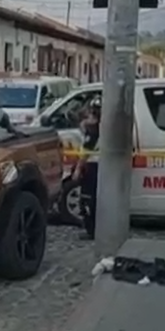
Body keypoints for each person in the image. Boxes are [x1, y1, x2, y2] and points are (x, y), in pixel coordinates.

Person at [72, 96, 101, 240]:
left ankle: (91, 231)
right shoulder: (104, 128)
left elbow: (85, 153)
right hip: (101, 167)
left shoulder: (93, 131)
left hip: (92, 167)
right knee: (96, 200)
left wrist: (78, 169)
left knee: (87, 199)